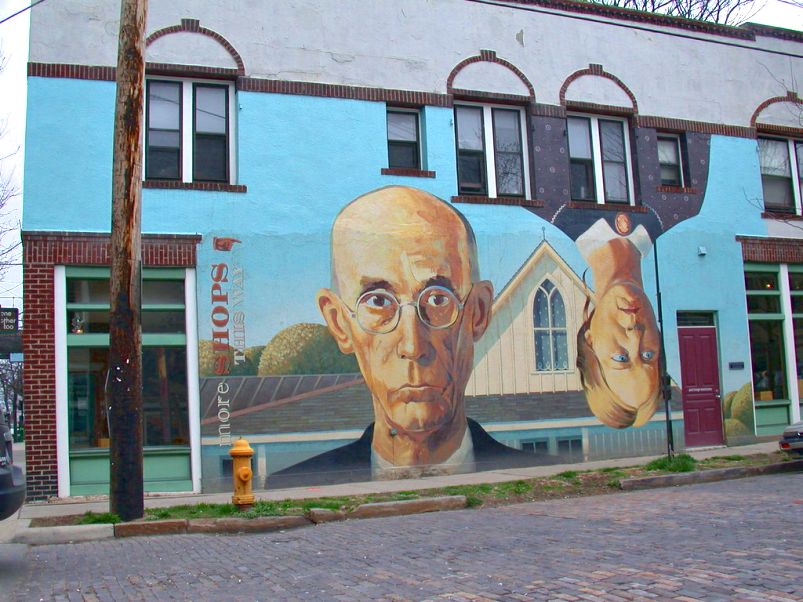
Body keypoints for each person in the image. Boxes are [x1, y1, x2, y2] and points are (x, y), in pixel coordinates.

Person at [269, 186, 541, 487]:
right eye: (378, 301)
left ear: (478, 312)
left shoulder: (535, 475)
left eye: (438, 300)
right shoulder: (295, 485)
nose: (413, 345)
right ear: (339, 323)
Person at [574, 215, 662, 428]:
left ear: (589, 340)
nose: (634, 334)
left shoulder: (559, 214)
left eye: (621, 358)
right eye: (648, 355)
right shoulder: (670, 215)